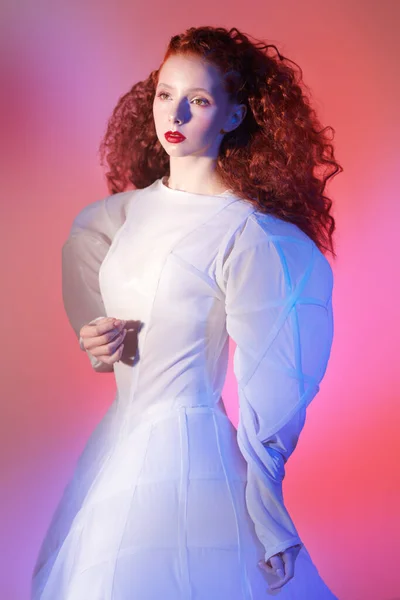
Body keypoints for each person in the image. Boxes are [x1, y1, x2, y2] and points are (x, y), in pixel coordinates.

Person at [31, 26, 342, 599]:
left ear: (232, 116)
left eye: (197, 100)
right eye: (163, 93)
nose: (172, 112)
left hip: (186, 450)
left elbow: (277, 376)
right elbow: (84, 243)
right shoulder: (129, 212)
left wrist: (267, 506)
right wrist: (93, 331)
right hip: (119, 439)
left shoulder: (244, 231)